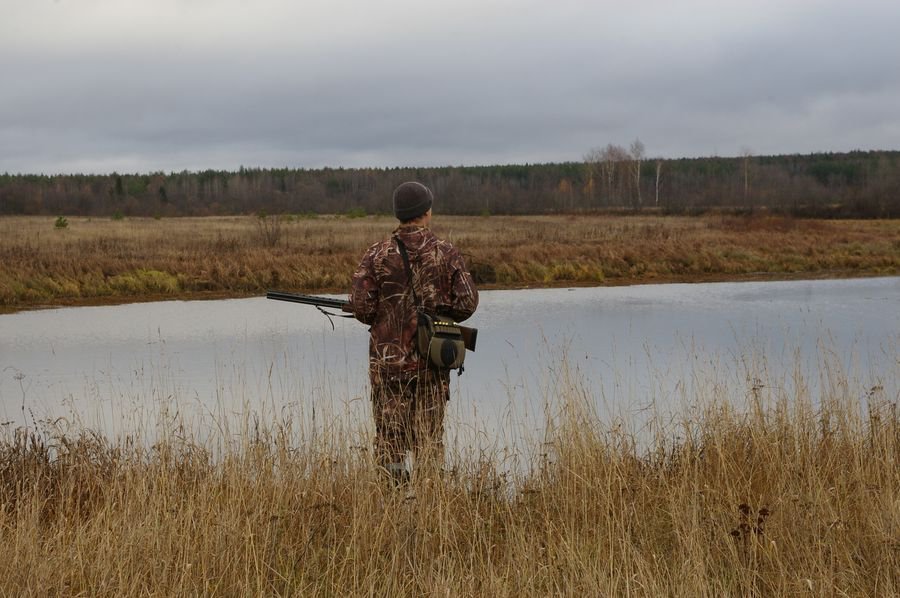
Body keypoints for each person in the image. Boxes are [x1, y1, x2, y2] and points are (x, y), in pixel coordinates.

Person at [349, 181, 479, 483]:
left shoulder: (376, 254)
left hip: (389, 365)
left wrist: (387, 317)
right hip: (431, 364)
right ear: (427, 212)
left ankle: (392, 505)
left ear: (398, 214)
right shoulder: (446, 253)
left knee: (390, 441)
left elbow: (361, 308)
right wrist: (438, 312)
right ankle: (429, 505)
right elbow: (468, 302)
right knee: (429, 440)